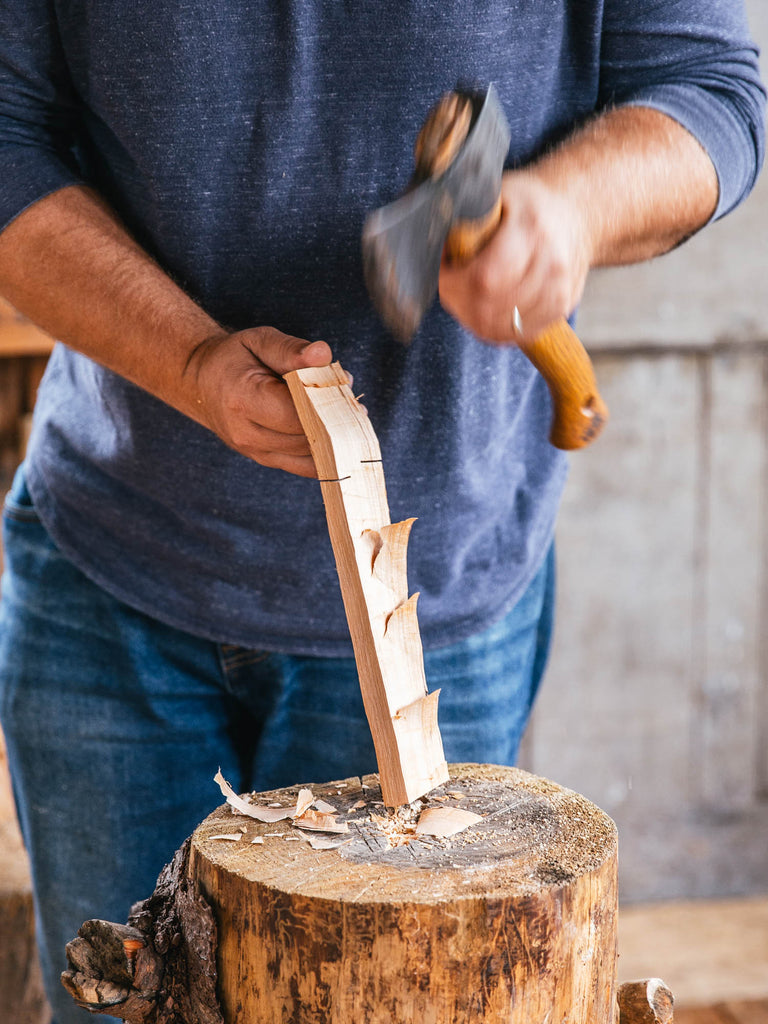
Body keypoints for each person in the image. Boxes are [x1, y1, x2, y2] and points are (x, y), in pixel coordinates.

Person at [0, 3, 764, 1022]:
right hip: (112, 579)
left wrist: (571, 207)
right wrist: (185, 359)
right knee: (120, 1002)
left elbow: (713, 92)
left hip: (432, 612)